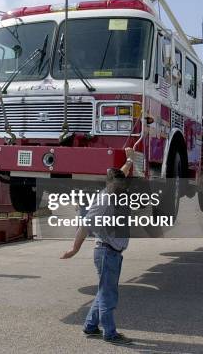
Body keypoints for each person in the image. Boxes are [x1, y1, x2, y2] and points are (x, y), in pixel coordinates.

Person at [61, 147, 136, 345]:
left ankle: (90, 326)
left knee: (105, 290)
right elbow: (85, 225)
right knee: (109, 294)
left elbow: (124, 170)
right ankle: (110, 333)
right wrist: (74, 249)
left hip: (114, 252)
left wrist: (129, 158)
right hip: (106, 252)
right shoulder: (104, 201)